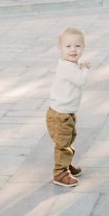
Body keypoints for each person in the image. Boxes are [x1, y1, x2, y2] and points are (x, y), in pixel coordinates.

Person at [46, 27, 90, 187]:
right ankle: (60, 173)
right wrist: (85, 69)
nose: (73, 50)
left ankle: (66, 164)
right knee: (63, 143)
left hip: (66, 112)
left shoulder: (71, 66)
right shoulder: (66, 67)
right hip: (60, 115)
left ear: (83, 47)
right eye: (68, 46)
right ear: (60, 48)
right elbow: (81, 81)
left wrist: (80, 68)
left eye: (78, 46)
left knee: (69, 139)